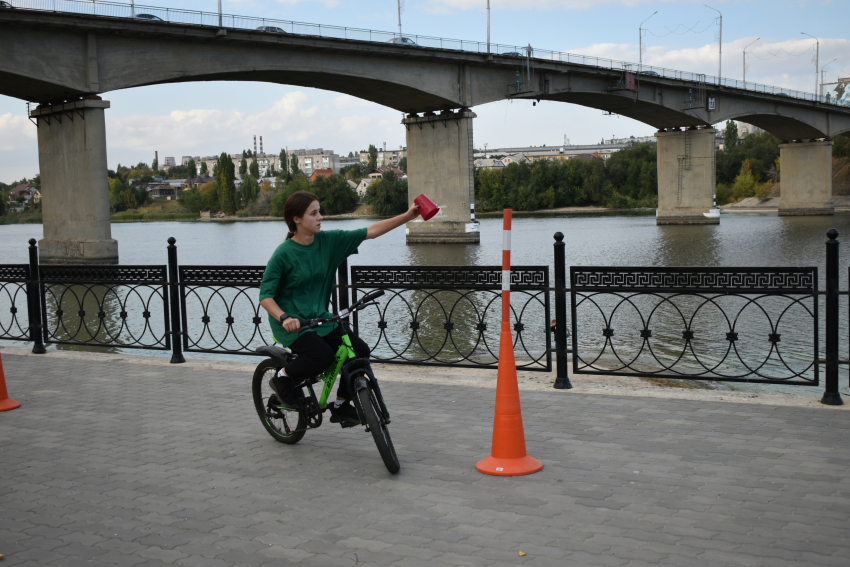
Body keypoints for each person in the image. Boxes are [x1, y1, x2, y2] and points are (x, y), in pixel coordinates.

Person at [259, 191, 420, 424]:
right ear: (296, 219)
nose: (320, 217)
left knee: (360, 353)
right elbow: (266, 296)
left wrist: (408, 216)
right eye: (313, 213)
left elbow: (371, 232)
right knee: (322, 356)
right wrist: (284, 317)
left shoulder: (330, 241)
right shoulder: (283, 254)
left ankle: (341, 403)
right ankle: (283, 376)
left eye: (319, 211)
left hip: (321, 319)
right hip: (294, 324)